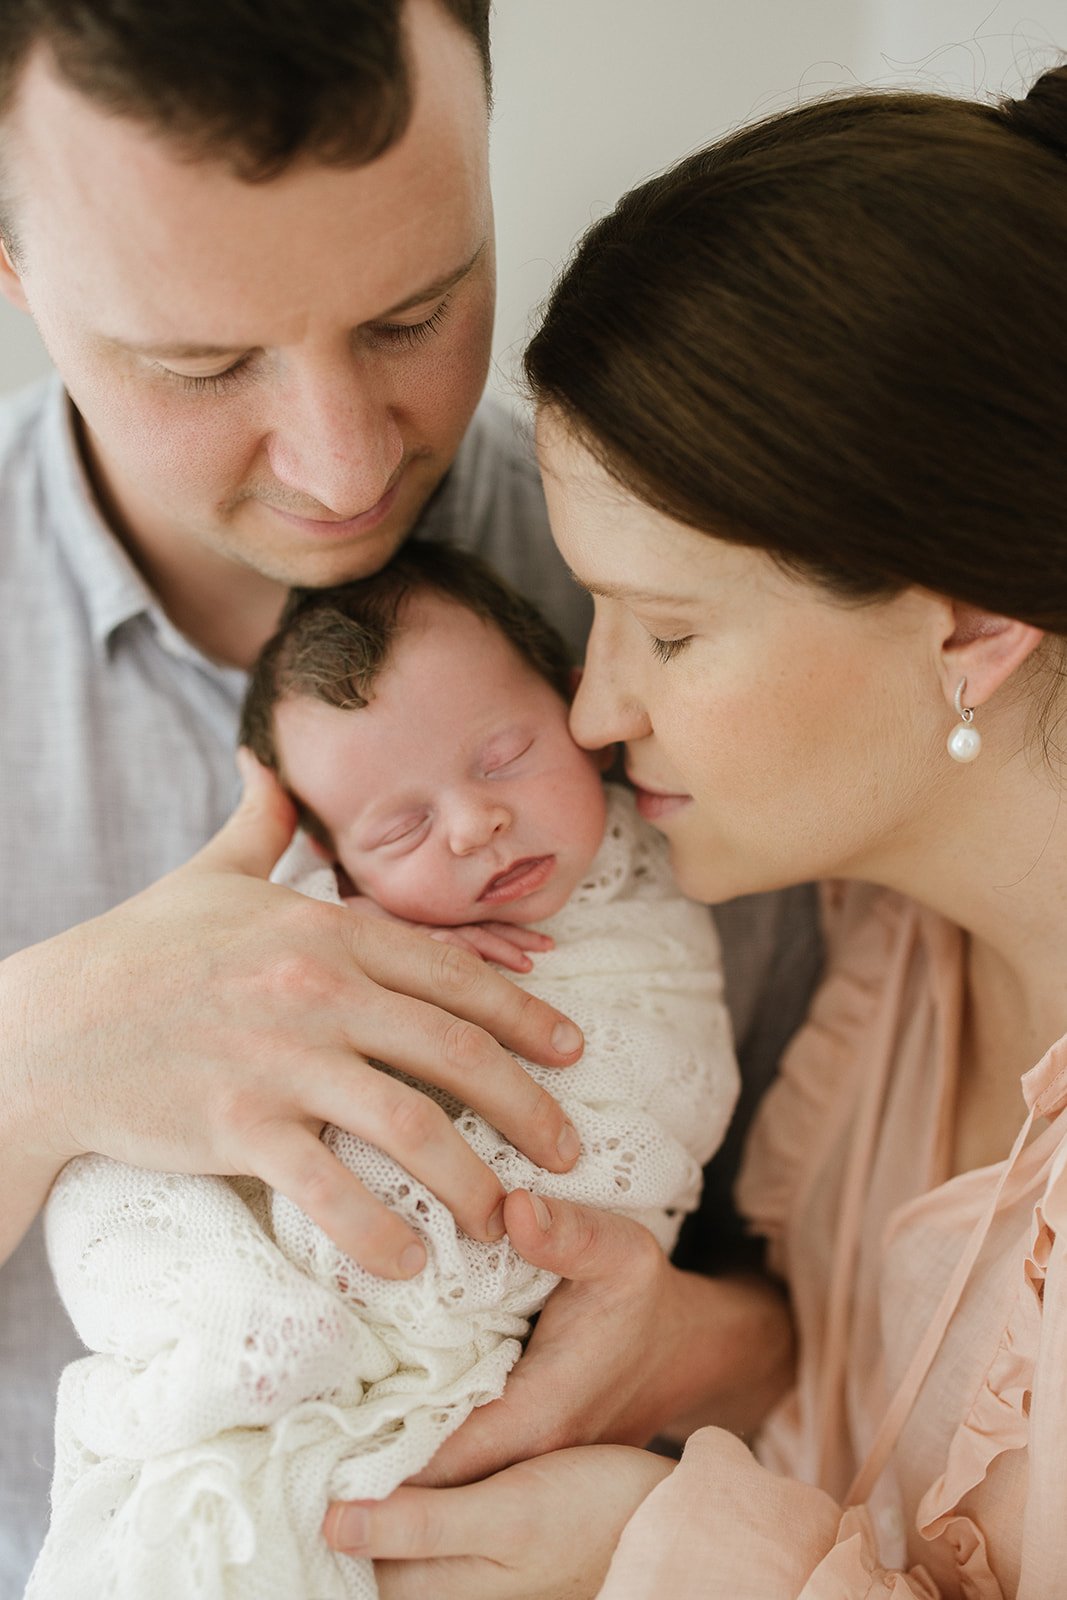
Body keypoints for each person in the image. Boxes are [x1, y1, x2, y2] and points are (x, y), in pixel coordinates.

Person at [0, 3, 820, 1588]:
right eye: (202, 362)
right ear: (19, 278)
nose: (340, 465)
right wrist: (32, 1063)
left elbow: (858, 1285)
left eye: (413, 313)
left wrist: (687, 1352)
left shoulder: (681, 594)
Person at [319, 61, 1067, 1600]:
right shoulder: (879, 964)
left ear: (973, 627)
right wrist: (689, 1358)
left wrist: (652, 1555)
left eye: (662, 633)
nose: (592, 713)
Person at [26, 541, 738, 1599]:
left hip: (519, 1335)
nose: (472, 823)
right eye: (399, 828)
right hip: (275, 1215)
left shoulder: (685, 858)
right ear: (334, 852)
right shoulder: (330, 917)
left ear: (576, 714)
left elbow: (667, 1066)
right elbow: (260, 973)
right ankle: (235, 1326)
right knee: (121, 1189)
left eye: (503, 755)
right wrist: (347, 930)